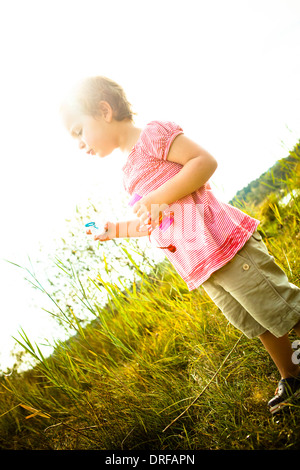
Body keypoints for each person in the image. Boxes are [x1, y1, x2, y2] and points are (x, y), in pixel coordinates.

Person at [60, 75, 300, 414]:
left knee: (282, 308)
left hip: (225, 245)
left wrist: (158, 195)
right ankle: (292, 373)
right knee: (258, 321)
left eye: (78, 131)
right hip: (201, 264)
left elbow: (204, 162)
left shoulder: (153, 136)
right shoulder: (128, 172)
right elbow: (155, 220)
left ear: (103, 110)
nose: (80, 144)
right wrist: (114, 229)